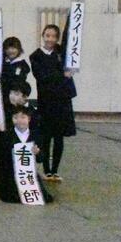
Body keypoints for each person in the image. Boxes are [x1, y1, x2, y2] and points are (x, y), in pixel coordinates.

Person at [29, 24, 77, 182]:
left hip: (62, 101)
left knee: (59, 136)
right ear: (43, 36)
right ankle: (46, 170)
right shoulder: (35, 56)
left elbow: (71, 38)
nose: (50, 39)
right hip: (46, 101)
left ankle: (55, 170)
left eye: (54, 36)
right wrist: (62, 74)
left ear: (57, 38)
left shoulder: (61, 53)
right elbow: (42, 76)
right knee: (46, 136)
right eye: (47, 35)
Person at [0, 105, 53, 204]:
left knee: (41, 196)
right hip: (10, 173)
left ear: (29, 119)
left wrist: (38, 152)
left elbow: (41, 159)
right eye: (16, 117)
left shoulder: (36, 135)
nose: (19, 121)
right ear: (12, 119)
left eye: (23, 117)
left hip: (28, 173)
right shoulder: (6, 135)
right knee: (12, 195)